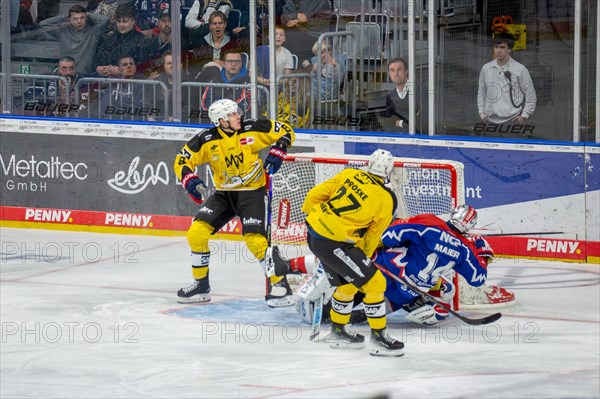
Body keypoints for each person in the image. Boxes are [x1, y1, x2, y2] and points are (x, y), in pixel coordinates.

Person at [270, 205, 515, 326]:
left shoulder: (431, 225)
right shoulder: (466, 250)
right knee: (437, 293)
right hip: (407, 292)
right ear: (469, 228)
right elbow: (478, 279)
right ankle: (342, 317)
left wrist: (383, 239)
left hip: (387, 270)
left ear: (453, 214)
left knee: (343, 259)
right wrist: (481, 251)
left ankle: (288, 265)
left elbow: (390, 236)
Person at [173, 98, 296, 307]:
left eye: (237, 112)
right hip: (224, 194)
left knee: (255, 242)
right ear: (221, 121)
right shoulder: (206, 139)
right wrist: (189, 180)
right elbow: (182, 159)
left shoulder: (252, 128)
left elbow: (286, 130)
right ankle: (201, 286)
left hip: (252, 193)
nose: (238, 116)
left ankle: (281, 286)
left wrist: (279, 150)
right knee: (197, 233)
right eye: (232, 114)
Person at [299, 149, 404, 356]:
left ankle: (338, 331)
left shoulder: (349, 174)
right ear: (389, 171)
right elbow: (374, 236)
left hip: (314, 234)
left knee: (348, 285)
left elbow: (313, 196)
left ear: (369, 164)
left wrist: (316, 222)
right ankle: (379, 338)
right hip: (334, 243)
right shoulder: (387, 198)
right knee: (376, 283)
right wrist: (363, 256)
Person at [477, 32, 537, 125]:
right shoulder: (486, 68)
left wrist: (524, 116)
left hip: (513, 121)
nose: (498, 50)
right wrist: (482, 114)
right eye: (496, 47)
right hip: (490, 121)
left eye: (502, 47)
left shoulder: (520, 69)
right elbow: (481, 92)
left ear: (509, 49)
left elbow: (531, 95)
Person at [36, 4, 109, 75]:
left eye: (82, 18)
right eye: (75, 18)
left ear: (86, 18)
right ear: (69, 19)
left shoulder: (93, 31)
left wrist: (86, 15)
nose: (79, 21)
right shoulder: (62, 30)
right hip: (66, 74)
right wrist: (66, 17)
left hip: (86, 75)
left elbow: (105, 20)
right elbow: (43, 24)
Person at [93, 6, 152, 77]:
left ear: (132, 21)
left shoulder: (142, 40)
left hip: (132, 83)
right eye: (119, 21)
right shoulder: (109, 38)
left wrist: (120, 71)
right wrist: (98, 68)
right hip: (106, 81)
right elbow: (97, 60)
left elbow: (144, 67)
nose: (121, 25)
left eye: (124, 21)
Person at [196, 49, 251, 113]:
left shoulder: (248, 81)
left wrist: (219, 106)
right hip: (214, 119)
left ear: (241, 64)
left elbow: (244, 107)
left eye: (237, 61)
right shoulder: (213, 80)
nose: (233, 64)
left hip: (236, 120)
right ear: (224, 64)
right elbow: (205, 104)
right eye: (229, 61)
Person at [379, 57, 424, 134]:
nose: (395, 74)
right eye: (392, 70)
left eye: (399, 69)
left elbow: (423, 121)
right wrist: (409, 122)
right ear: (389, 74)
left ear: (406, 71)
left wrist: (399, 123)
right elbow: (388, 123)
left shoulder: (420, 91)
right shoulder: (391, 96)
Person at [189, 10, 241, 75]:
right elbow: (194, 67)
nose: (217, 26)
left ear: (225, 24)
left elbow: (236, 67)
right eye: (214, 24)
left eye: (220, 23)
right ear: (210, 26)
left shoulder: (233, 45)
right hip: (204, 78)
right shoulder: (200, 43)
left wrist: (223, 64)